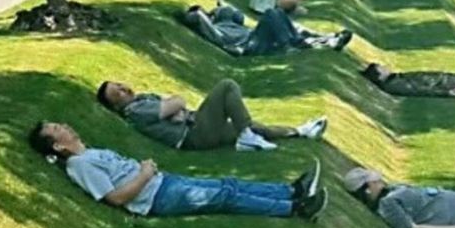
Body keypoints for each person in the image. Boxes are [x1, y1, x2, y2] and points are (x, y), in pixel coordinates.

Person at [28, 122, 329, 221]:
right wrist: (144, 174)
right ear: (57, 147)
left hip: (162, 182)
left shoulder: (88, 153)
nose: (64, 126)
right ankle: (295, 209)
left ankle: (290, 191)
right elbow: (115, 198)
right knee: (224, 195)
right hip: (155, 196)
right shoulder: (79, 165)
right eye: (57, 129)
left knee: (227, 184)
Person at [96, 78, 328, 152]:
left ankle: (301, 132)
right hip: (194, 134)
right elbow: (178, 101)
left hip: (192, 124)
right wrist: (175, 107)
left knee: (254, 126)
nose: (124, 89)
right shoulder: (135, 110)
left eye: (120, 85)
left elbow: (175, 107)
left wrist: (176, 109)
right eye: (118, 94)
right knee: (226, 87)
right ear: (117, 106)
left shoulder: (142, 99)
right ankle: (246, 136)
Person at [179, 3, 352, 56]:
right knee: (271, 14)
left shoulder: (227, 20)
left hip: (255, 37)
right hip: (250, 44)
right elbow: (193, 17)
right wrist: (198, 13)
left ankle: (330, 40)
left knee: (287, 21)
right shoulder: (216, 30)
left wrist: (217, 9)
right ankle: (290, 45)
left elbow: (234, 12)